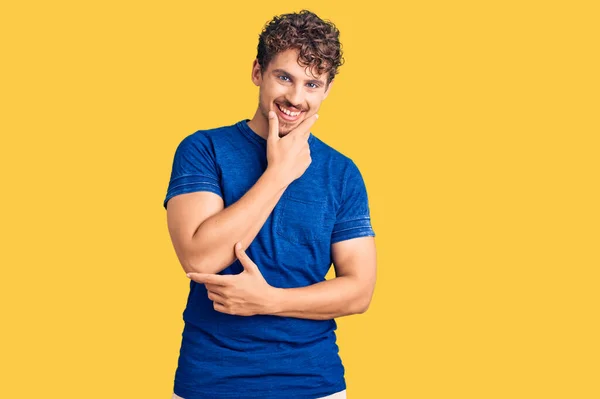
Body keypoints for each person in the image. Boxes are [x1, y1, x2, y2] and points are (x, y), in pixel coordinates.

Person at [163, 9, 377, 399]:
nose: (296, 98)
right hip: (212, 382)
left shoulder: (342, 173)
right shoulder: (203, 149)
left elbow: (359, 291)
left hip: (314, 384)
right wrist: (279, 173)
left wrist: (270, 301)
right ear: (257, 72)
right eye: (285, 78)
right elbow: (198, 258)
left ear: (327, 90)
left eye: (313, 84)